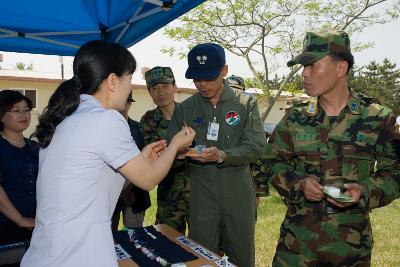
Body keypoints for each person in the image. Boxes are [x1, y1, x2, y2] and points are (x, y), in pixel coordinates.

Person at [21, 40, 195, 267]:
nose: (130, 87)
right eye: (129, 79)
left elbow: (98, 185)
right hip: (78, 254)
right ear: (113, 81)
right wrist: (174, 146)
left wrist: (142, 159)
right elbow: (149, 180)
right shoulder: (106, 119)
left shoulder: (68, 118)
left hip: (50, 252)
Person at [269, 30, 400, 267]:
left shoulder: (378, 118)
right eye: (303, 66)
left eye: (312, 65)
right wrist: (299, 184)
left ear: (341, 69)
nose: (304, 74)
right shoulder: (295, 118)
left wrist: (365, 190)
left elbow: (395, 172)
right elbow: (270, 162)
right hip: (295, 248)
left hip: (350, 251)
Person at [167, 43, 265, 267]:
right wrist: (177, 154)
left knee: (242, 256)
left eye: (209, 77)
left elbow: (256, 146)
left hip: (238, 195)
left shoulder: (245, 103)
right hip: (202, 197)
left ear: (224, 71)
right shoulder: (185, 109)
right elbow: (170, 149)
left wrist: (222, 155)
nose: (202, 84)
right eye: (197, 78)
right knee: (202, 256)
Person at [140, 66, 190, 234]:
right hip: (170, 196)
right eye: (154, 88)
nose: (160, 92)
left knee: (204, 246)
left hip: (199, 193)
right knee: (168, 244)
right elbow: (154, 158)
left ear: (174, 87)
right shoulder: (148, 120)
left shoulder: (191, 114)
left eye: (165, 86)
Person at [0, 90, 39, 246]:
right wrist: (20, 219)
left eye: (26, 110)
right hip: (5, 229)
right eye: (16, 110)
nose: (23, 115)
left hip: (36, 226)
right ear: (1, 116)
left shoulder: (35, 147)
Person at [226, 74, 270, 210]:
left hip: (246, 178)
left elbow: (258, 152)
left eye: (238, 90)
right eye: (230, 90)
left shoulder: (250, 112)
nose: (235, 94)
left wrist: (258, 190)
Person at [111, 92, 150, 231]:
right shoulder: (105, 130)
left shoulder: (140, 129)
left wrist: (127, 189)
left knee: (136, 237)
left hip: (136, 193)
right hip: (110, 195)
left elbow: (146, 160)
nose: (120, 107)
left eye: (124, 102)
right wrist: (121, 191)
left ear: (129, 104)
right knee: (109, 237)